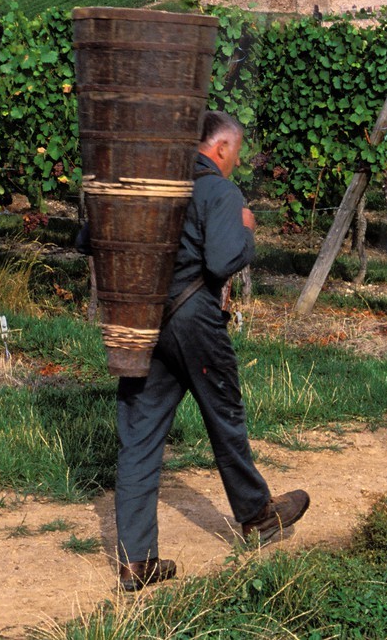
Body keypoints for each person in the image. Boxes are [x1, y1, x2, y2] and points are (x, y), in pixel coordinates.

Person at [114, 110, 309, 591]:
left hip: (142, 321)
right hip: (192, 319)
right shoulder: (219, 191)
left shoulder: (152, 184)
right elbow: (223, 260)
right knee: (224, 415)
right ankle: (258, 517)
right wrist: (244, 229)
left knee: (139, 438)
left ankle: (137, 560)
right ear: (220, 147)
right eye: (236, 152)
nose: (236, 161)